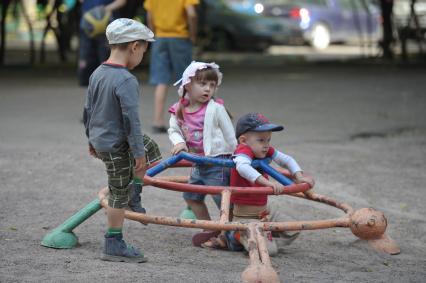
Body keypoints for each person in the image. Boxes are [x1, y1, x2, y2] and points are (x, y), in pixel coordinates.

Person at [83, 18, 155, 262]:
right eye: (143, 52)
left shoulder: (97, 73)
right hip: (116, 144)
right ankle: (113, 243)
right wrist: (137, 153)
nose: (141, 57)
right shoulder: (126, 80)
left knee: (152, 148)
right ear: (134, 46)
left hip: (105, 139)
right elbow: (131, 121)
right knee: (117, 192)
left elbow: (88, 110)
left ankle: (135, 194)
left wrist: (90, 139)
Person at [201, 113, 315, 255]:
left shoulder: (263, 150)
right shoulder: (243, 151)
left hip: (264, 211)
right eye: (261, 140)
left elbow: (286, 159)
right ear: (243, 140)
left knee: (295, 229)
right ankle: (236, 236)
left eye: (268, 140)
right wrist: (267, 183)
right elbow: (243, 168)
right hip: (245, 216)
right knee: (269, 251)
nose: (266, 145)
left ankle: (260, 237)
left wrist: (298, 176)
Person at [168, 61, 238, 245]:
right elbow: (173, 129)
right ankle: (210, 229)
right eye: (202, 84)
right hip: (198, 162)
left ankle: (231, 232)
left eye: (212, 85)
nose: (208, 89)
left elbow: (230, 135)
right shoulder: (179, 108)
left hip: (218, 162)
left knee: (221, 200)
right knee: (191, 197)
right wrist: (180, 143)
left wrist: (237, 157)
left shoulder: (216, 109)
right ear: (188, 85)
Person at [143, 0, 199, 133]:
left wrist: (154, 33)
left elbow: (149, 15)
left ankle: (158, 121)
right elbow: (191, 14)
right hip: (180, 38)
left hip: (160, 38)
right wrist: (193, 34)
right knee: (187, 80)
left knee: (161, 80)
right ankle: (191, 120)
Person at [78, 0, 127, 87]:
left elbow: (121, 1)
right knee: (86, 55)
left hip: (107, 24)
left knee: (106, 55)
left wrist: (105, 9)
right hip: (88, 25)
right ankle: (87, 80)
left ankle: (107, 80)